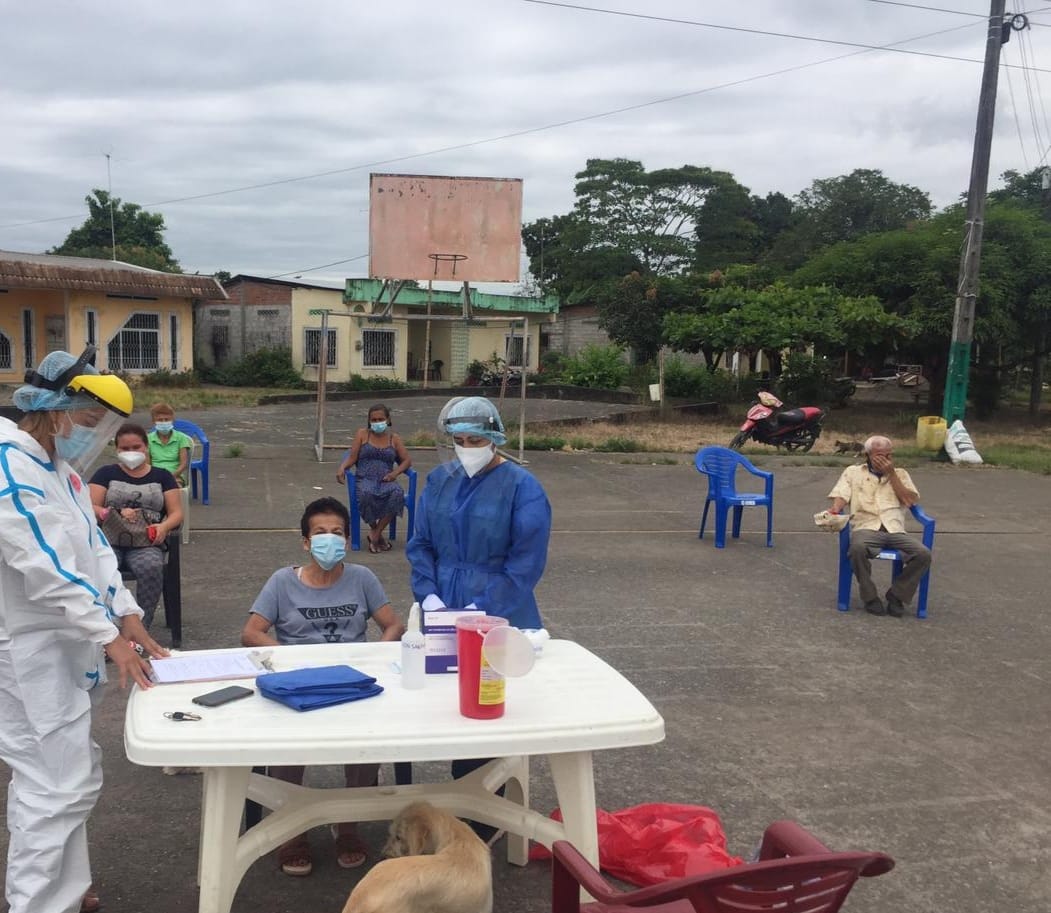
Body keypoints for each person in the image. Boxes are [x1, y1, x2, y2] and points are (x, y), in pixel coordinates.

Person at [0, 348, 164, 913]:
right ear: (55, 410)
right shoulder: (9, 463)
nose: (93, 437)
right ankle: (39, 902)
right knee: (55, 784)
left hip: (60, 641)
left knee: (59, 778)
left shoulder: (61, 473)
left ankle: (65, 890)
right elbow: (43, 562)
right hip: (25, 648)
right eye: (90, 422)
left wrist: (127, 613)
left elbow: (93, 552)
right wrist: (108, 635)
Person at [406, 396, 551, 839]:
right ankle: (461, 802)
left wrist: (483, 609)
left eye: (475, 440)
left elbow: (525, 564)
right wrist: (429, 596)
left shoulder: (523, 487)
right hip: (444, 604)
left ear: (494, 439)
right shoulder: (439, 480)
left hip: (499, 607)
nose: (467, 448)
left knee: (491, 707)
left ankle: (487, 814)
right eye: (460, 440)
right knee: (445, 707)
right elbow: (421, 543)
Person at [241, 496, 405, 876]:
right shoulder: (282, 582)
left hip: (351, 681)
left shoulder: (362, 578)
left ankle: (348, 825)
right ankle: (291, 829)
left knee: (368, 740)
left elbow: (393, 624)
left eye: (336, 532)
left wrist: (374, 655)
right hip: (301, 683)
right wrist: (291, 659)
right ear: (305, 542)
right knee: (288, 746)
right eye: (319, 533)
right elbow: (251, 632)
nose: (329, 539)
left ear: (346, 540)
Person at [89, 423, 183, 631]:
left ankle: (140, 628)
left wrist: (164, 526)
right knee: (100, 567)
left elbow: (176, 512)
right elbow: (89, 505)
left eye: (136, 447)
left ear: (146, 447)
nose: (131, 452)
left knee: (151, 567)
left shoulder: (163, 476)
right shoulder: (105, 473)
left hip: (146, 541)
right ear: (117, 449)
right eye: (125, 448)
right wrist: (109, 512)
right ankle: (107, 627)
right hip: (110, 539)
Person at [827, 434, 932, 617]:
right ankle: (870, 597)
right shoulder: (853, 472)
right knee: (857, 549)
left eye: (889, 455)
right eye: (880, 456)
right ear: (867, 455)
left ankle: (897, 595)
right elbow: (841, 495)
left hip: (894, 529)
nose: (886, 459)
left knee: (923, 554)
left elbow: (909, 500)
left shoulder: (900, 474)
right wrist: (835, 510)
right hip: (866, 527)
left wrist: (891, 474)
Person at [335, 404, 412, 553]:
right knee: (365, 495)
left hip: (386, 479)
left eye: (380, 419)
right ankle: (376, 532)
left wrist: (394, 474)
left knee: (397, 493)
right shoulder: (362, 434)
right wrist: (342, 468)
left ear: (388, 420)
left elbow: (407, 461)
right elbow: (352, 457)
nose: (377, 422)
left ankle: (375, 534)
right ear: (369, 421)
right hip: (365, 478)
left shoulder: (394, 438)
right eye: (374, 420)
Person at [146, 402, 192, 486]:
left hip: (176, 476)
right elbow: (147, 464)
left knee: (174, 487)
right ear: (153, 421)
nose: (164, 422)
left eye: (166, 419)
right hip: (154, 477)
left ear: (172, 420)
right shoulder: (148, 439)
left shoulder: (181, 438)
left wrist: (170, 476)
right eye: (160, 420)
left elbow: (184, 464)